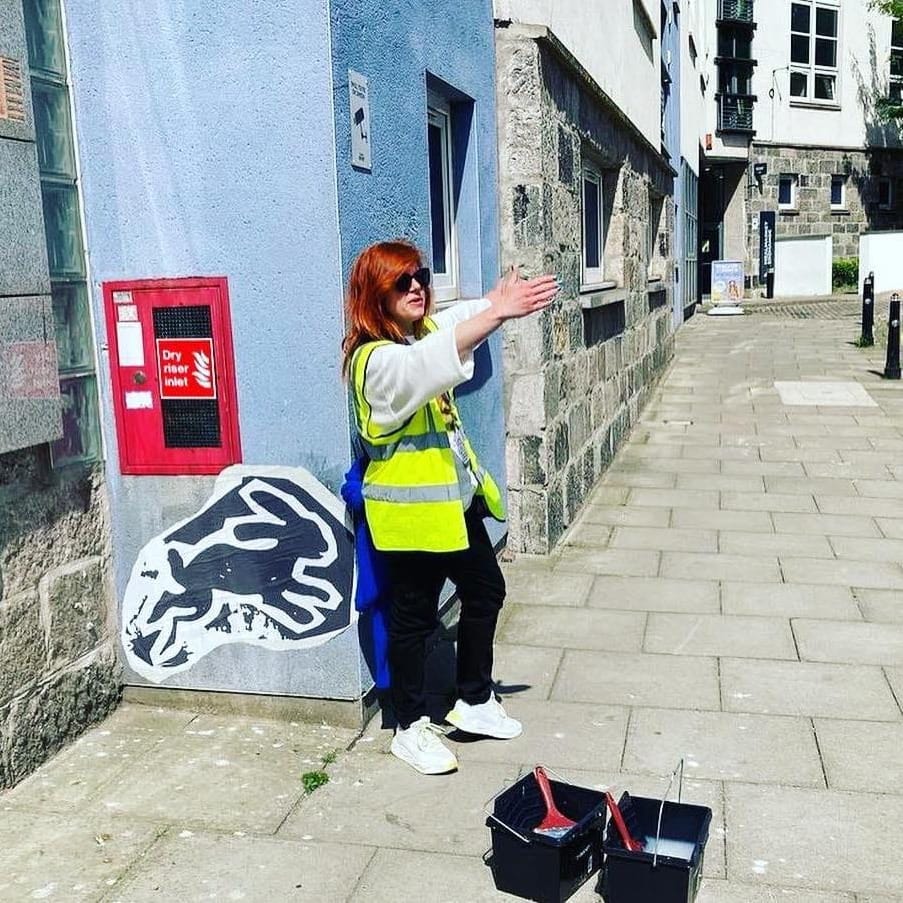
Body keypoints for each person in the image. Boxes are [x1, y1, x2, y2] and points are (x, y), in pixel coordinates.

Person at [341, 240, 558, 775]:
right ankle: (409, 726)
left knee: (486, 590)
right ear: (375, 295)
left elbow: (450, 323)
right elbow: (424, 366)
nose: (417, 286)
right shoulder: (374, 361)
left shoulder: (419, 333)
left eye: (420, 276)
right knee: (413, 622)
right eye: (401, 282)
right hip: (411, 517)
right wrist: (497, 313)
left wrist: (490, 303)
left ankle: (474, 700)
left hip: (453, 507)